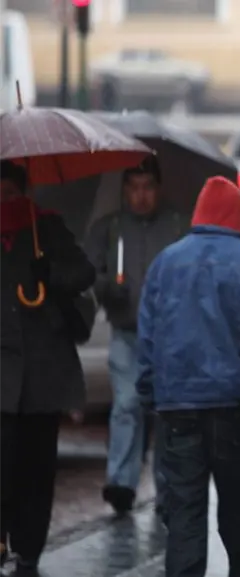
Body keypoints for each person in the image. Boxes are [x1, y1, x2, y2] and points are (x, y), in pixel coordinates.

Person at [136, 176, 240, 577]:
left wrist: (150, 392)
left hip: (177, 405)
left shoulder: (166, 262)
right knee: (236, 501)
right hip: (233, 404)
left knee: (184, 509)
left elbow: (148, 337)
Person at [0, 161, 96, 572]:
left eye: (11, 194)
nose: (6, 202)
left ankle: (29, 548)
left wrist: (51, 273)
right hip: (2, 373)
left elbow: (83, 272)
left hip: (43, 372)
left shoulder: (47, 229)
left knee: (37, 468)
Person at [84, 156, 188, 515]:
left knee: (164, 411)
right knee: (127, 405)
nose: (140, 196)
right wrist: (105, 289)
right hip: (126, 332)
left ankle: (167, 485)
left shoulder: (177, 226)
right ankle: (122, 482)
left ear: (157, 189)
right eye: (133, 188)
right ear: (124, 190)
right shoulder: (110, 228)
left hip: (168, 338)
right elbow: (88, 271)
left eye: (147, 187)